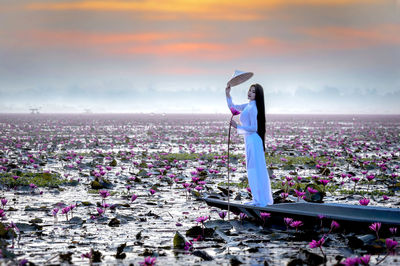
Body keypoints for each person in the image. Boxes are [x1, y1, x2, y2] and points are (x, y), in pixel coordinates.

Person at [225, 83, 273, 206]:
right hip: (249, 140)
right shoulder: (248, 106)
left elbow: (254, 127)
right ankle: (257, 199)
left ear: (258, 95)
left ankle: (259, 201)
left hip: (253, 140)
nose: (250, 93)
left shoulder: (254, 108)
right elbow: (233, 108)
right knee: (252, 169)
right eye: (250, 90)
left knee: (254, 170)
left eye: (253, 91)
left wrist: (238, 127)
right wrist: (228, 94)